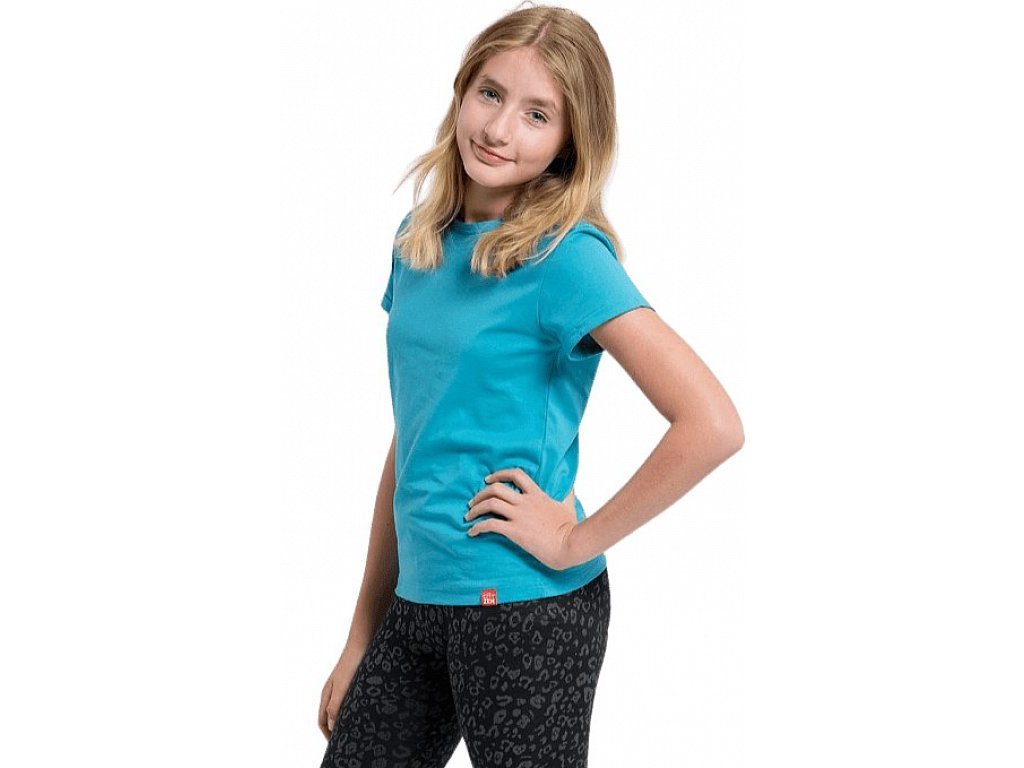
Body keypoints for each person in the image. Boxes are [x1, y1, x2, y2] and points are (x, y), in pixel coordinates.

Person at [318, 4, 744, 766]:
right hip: (417, 604)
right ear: (461, 91)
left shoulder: (565, 258)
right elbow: (414, 435)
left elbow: (711, 423)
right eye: (490, 93)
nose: (498, 128)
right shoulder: (418, 242)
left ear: (569, 141)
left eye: (536, 113)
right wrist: (362, 634)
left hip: (525, 608)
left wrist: (575, 537)